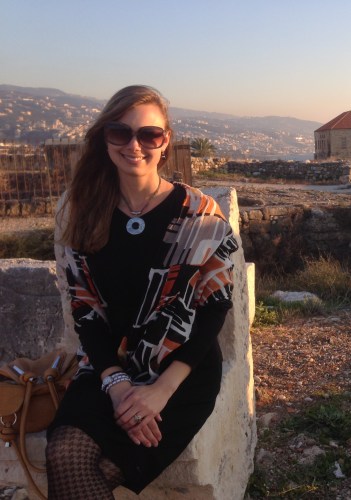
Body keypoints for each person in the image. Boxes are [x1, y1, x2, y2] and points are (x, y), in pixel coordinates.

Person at [47, 85, 238, 499]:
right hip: (107, 366)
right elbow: (84, 309)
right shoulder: (81, 211)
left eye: (149, 135)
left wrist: (159, 392)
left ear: (165, 141)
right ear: (104, 138)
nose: (134, 145)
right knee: (64, 454)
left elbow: (214, 309)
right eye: (120, 132)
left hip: (181, 371)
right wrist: (117, 386)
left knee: (95, 469)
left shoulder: (200, 215)